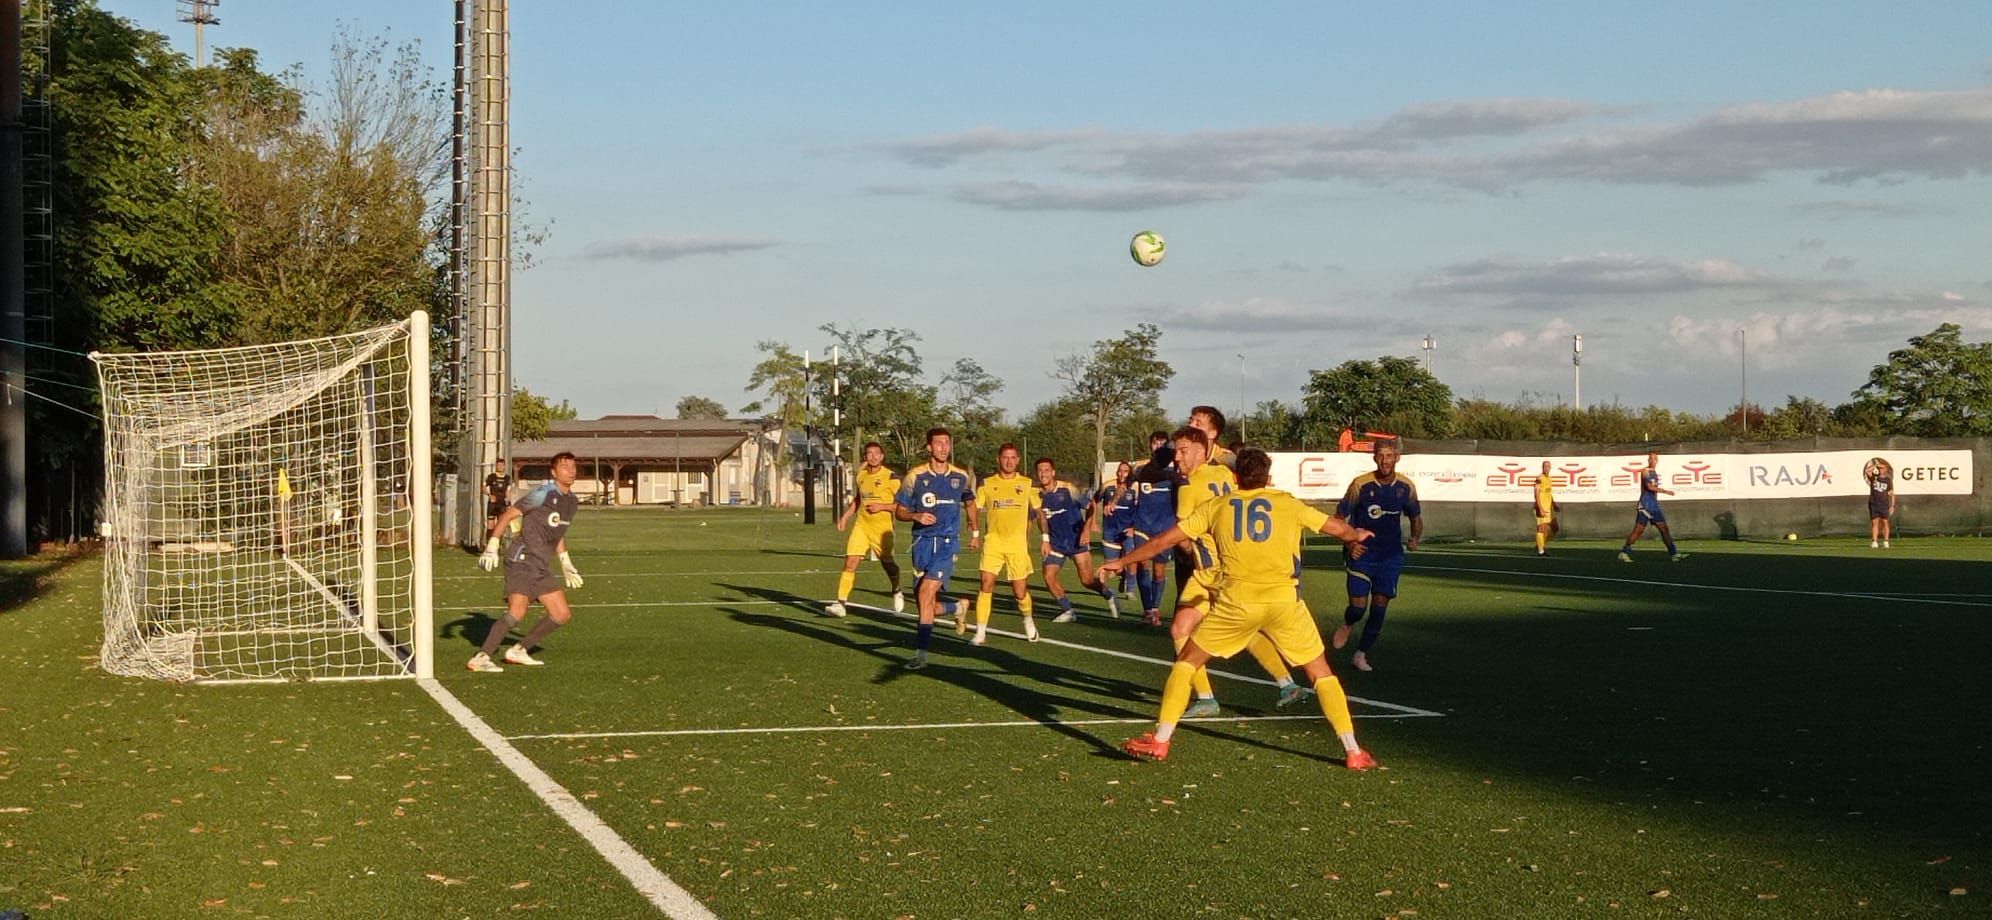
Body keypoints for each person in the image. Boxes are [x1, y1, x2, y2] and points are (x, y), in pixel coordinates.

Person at [1101, 448, 1379, 768]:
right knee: (1321, 673)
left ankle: (1161, 740)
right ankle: (1353, 751)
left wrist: (1122, 561)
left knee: (1187, 661)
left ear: (1235, 478)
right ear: (1268, 477)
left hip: (1236, 604)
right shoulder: (1288, 503)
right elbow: (1339, 529)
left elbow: (1163, 541)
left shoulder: (1217, 506)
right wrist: (1356, 534)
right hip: (1284, 604)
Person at [1169, 426, 1313, 713]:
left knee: (1182, 629)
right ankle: (1286, 683)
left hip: (1210, 572)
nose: (1177, 457)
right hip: (1232, 566)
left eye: (1183, 451)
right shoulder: (1225, 473)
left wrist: (1192, 552)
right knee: (1242, 628)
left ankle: (1206, 698)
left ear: (1200, 450)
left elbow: (1183, 535)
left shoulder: (1188, 487)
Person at [470, 452, 585, 672]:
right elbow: (507, 515)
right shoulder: (542, 493)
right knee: (517, 611)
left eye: (573, 467)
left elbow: (557, 533)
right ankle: (481, 657)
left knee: (561, 613)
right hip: (522, 559)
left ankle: (519, 650)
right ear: (553, 472)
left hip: (541, 564)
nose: (570, 471)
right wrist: (492, 545)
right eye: (564, 467)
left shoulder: (572, 501)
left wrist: (566, 562)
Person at [893, 428, 978, 670]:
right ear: (929, 447)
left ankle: (921, 655)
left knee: (925, 594)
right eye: (938, 443)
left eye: (946, 443)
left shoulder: (961, 476)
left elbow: (970, 502)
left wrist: (974, 531)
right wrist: (915, 515)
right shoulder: (915, 477)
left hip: (947, 543)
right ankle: (957, 607)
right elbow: (899, 511)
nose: (943, 447)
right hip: (921, 544)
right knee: (925, 604)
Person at [1332, 441, 1421, 673]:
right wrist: (1350, 543)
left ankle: (1360, 654)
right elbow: (1339, 518)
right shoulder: (1360, 484)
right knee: (1358, 608)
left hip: (1390, 556)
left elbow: (1415, 517)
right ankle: (1349, 622)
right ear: (1374, 458)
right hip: (1362, 553)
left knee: (1380, 605)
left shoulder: (1406, 486)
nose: (1385, 461)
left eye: (1389, 456)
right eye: (1381, 456)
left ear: (1397, 458)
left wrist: (1415, 538)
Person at [970, 444, 1044, 644]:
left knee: (1020, 592)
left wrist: (1045, 539)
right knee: (986, 584)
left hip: (1017, 545)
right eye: (1005, 457)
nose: (1009, 461)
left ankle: (1028, 619)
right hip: (993, 542)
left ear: (1018, 460)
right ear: (998, 459)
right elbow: (974, 508)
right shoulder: (987, 484)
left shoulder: (1027, 484)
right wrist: (975, 534)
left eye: (1012, 458)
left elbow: (1039, 513)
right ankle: (980, 632)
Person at [826, 442, 905, 617]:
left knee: (888, 564)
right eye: (869, 453)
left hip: (882, 530)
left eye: (877, 453)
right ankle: (840, 603)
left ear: (882, 456)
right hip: (861, 526)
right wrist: (845, 517)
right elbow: (858, 500)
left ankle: (896, 589)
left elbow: (902, 506)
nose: (873, 457)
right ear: (865, 457)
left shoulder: (891, 478)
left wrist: (882, 506)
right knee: (850, 562)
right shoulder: (861, 476)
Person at [1036, 457, 1116, 622]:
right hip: (1056, 544)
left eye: (1046, 470)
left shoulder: (1067, 489)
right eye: (1040, 471)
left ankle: (1108, 594)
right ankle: (1068, 611)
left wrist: (1086, 529)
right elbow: (1036, 517)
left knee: (1087, 580)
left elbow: (1091, 506)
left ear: (1053, 472)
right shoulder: (1036, 495)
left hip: (1077, 540)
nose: (1043, 474)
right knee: (1049, 575)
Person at [1126, 441, 1180, 626]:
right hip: (1143, 525)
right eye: (1155, 443)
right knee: (1142, 563)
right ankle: (1148, 610)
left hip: (1164, 527)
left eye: (1161, 444)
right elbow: (1128, 483)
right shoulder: (1142, 469)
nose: (1157, 447)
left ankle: (1155, 607)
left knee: (1159, 571)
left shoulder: (1175, 472)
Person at [1618, 452, 1686, 563]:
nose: (1651, 460)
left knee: (1664, 529)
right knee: (1638, 531)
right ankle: (1624, 552)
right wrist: (1665, 491)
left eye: (1654, 458)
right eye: (1650, 458)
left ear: (1657, 461)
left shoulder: (1654, 472)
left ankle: (1674, 554)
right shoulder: (1645, 471)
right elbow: (1649, 487)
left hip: (1653, 505)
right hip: (1645, 505)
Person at [1095, 461, 1138, 604]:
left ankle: (1130, 590)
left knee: (1131, 558)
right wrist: (1093, 522)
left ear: (1129, 473)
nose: (1122, 474)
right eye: (1120, 471)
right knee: (1112, 568)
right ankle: (1123, 574)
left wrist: (1134, 528)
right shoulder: (1107, 486)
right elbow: (1094, 501)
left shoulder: (1135, 487)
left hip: (1128, 530)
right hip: (1110, 530)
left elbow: (1141, 508)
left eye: (1125, 471)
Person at [1188, 405, 1237, 470]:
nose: (1191, 426)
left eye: (1198, 424)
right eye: (1190, 422)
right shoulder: (1180, 455)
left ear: (1213, 433)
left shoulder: (1227, 460)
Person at [1865, 457, 1895, 549]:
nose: (1880, 470)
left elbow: (1891, 494)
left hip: (1884, 504)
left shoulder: (1888, 480)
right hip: (1874, 503)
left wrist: (1892, 505)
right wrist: (1875, 465)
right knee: (1875, 523)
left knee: (1885, 522)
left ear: (1885, 470)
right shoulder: (1874, 478)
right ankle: (1874, 541)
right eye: (1879, 468)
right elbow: (1867, 470)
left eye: (1882, 468)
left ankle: (1886, 541)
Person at [1533, 460, 1560, 556]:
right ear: (1542, 467)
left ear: (1550, 468)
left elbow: (1549, 493)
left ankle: (1540, 544)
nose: (1546, 468)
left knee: (1555, 528)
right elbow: (1536, 495)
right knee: (1542, 529)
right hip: (1541, 507)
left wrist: (1554, 504)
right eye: (1545, 466)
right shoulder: (1539, 478)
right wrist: (1540, 508)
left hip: (1549, 508)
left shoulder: (1549, 478)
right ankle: (1541, 552)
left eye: (1548, 466)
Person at [484, 462, 511, 530]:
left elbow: (508, 492)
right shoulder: (491, 476)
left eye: (502, 465)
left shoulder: (507, 478)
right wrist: (490, 495)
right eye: (499, 465)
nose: (500, 467)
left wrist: (509, 504)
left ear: (504, 466)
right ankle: (489, 536)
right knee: (490, 526)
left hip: (502, 504)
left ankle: (500, 537)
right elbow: (483, 488)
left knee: (500, 526)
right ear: (496, 466)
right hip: (492, 504)